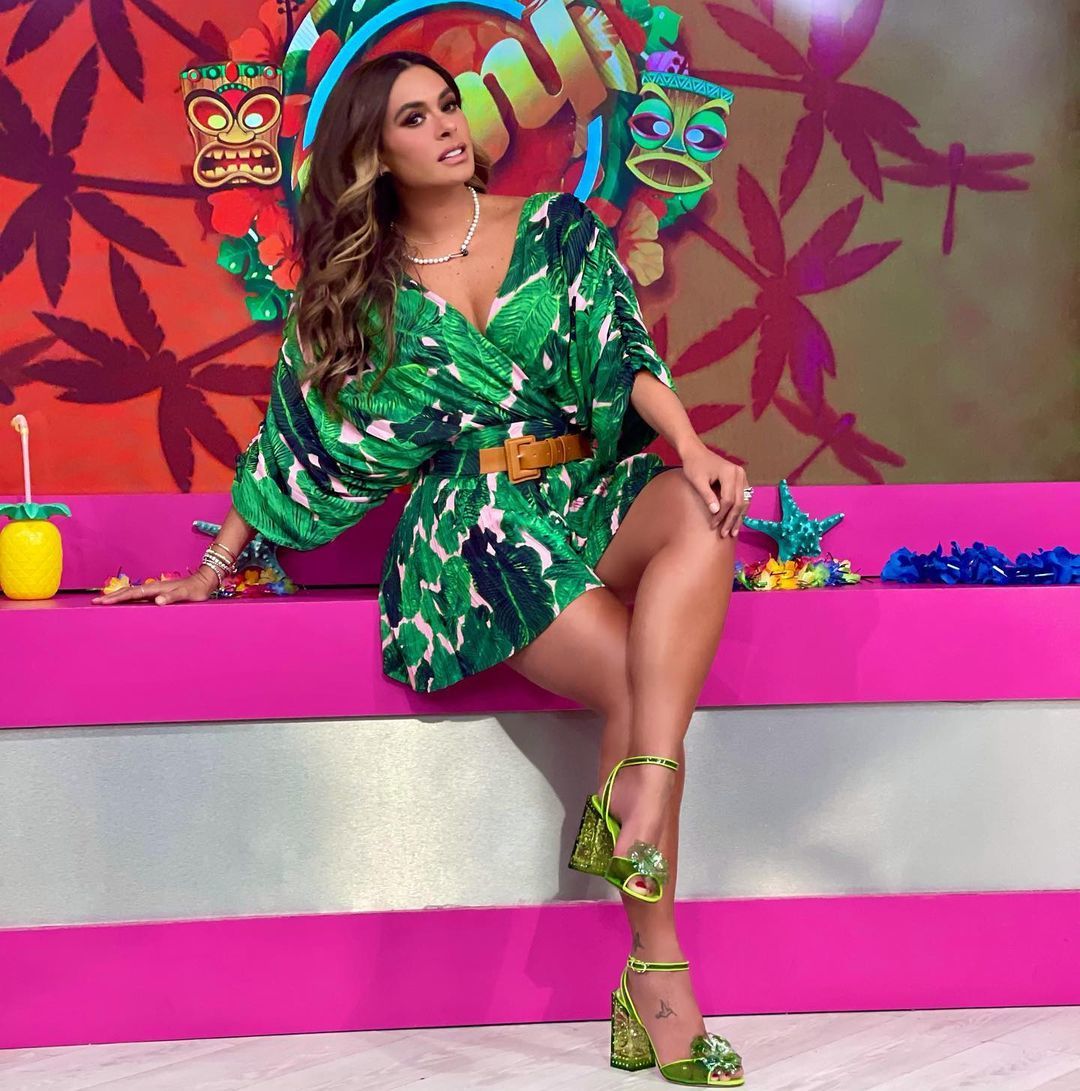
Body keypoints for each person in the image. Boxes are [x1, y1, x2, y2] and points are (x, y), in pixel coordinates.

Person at [94, 49, 751, 1086]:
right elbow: (293, 442)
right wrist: (215, 565)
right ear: (374, 153)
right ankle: (658, 972)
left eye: (448, 104)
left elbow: (625, 354)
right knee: (636, 681)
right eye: (414, 117)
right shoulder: (360, 293)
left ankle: (648, 779)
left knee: (702, 514)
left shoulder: (558, 226)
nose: (447, 125)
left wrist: (694, 444)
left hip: (586, 486)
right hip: (474, 526)